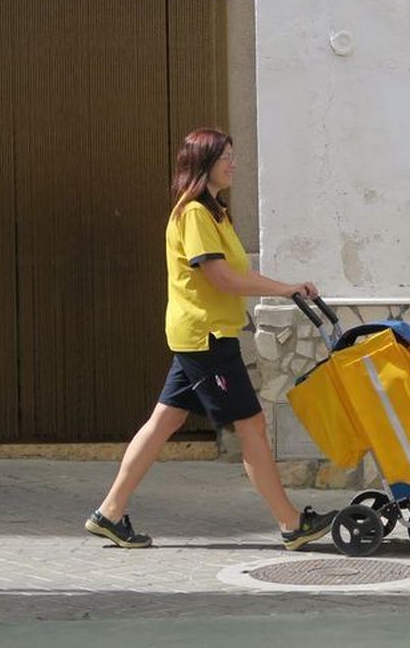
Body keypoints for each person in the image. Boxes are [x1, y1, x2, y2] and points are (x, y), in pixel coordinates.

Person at [85, 128, 336, 550]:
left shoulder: (215, 213)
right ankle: (292, 524)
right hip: (206, 338)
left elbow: (237, 272)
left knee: (165, 420)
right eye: (226, 157)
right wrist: (282, 290)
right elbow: (220, 278)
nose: (233, 163)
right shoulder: (195, 215)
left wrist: (286, 287)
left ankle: (109, 513)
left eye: (233, 155)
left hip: (199, 335)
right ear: (203, 164)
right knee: (252, 426)